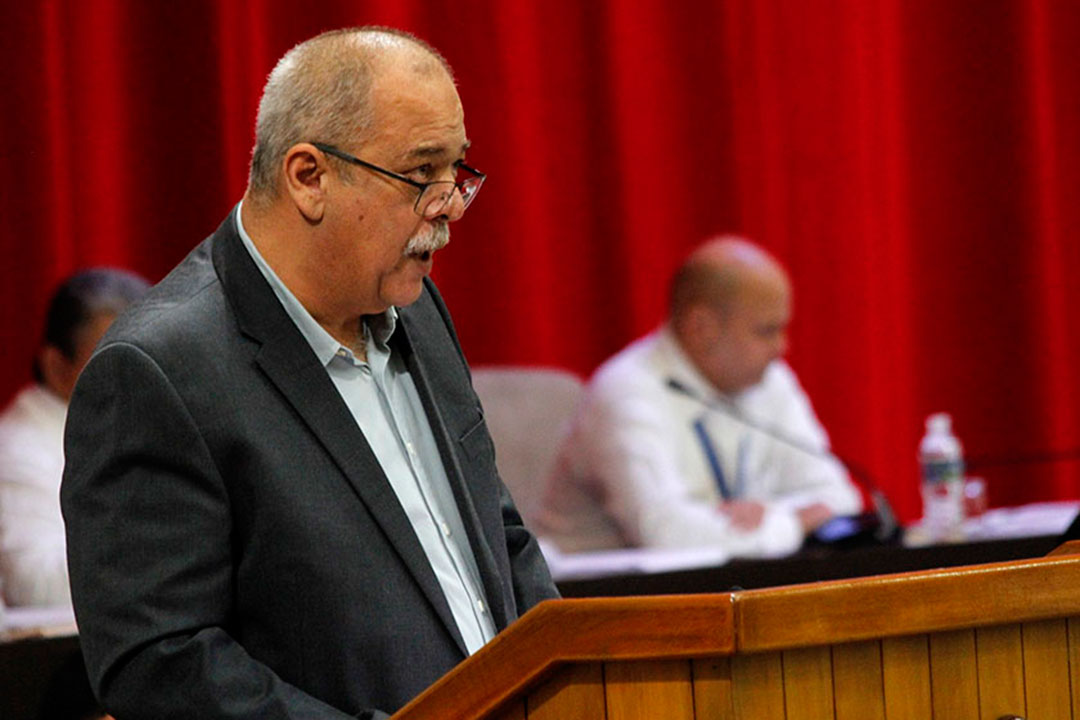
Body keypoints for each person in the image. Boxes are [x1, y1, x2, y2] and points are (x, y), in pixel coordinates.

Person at [61, 27, 558, 720]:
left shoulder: (415, 307)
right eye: (421, 174)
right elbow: (160, 662)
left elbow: (498, 539)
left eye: (458, 173)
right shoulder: (157, 370)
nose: (449, 207)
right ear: (309, 177)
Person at [537, 236, 862, 558]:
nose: (781, 347)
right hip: (590, 601)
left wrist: (767, 513)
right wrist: (790, 525)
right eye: (766, 331)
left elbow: (841, 498)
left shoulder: (769, 379)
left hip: (713, 594)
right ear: (700, 327)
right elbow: (666, 535)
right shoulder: (625, 391)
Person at [0, 268, 148, 607]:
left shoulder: (137, 426)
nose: (137, 378)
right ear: (56, 367)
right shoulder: (17, 451)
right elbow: (36, 588)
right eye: (113, 360)